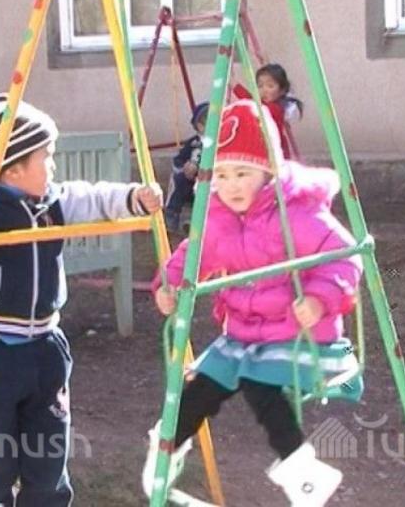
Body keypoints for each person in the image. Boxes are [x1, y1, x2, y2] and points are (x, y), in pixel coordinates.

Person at [0, 94, 162, 507]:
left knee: (49, 460)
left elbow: (93, 197)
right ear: (13, 168)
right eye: (46, 156)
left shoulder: (53, 202)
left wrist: (135, 196)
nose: (53, 165)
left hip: (47, 351)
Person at [143, 100, 363, 506]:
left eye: (243, 173)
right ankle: (167, 447)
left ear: (270, 170)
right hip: (243, 336)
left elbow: (343, 257)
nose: (232, 186)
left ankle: (302, 472)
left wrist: (318, 300)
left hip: (297, 333)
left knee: (260, 385)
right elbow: (193, 254)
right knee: (202, 385)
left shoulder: (297, 213)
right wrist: (169, 284)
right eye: (222, 175)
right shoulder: (219, 216)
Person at [235, 62, 304, 160]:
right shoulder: (263, 105)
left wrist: (236, 87)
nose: (264, 90)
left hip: (276, 153)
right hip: (266, 149)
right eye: (260, 86)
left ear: (282, 91)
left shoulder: (275, 109)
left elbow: (252, 102)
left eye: (270, 86)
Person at [164, 101, 209, 232]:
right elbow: (178, 160)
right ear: (198, 126)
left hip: (208, 179)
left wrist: (200, 168)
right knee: (178, 179)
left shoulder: (222, 141)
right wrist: (185, 167)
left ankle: (201, 223)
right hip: (190, 181)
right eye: (203, 123)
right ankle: (171, 214)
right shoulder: (193, 143)